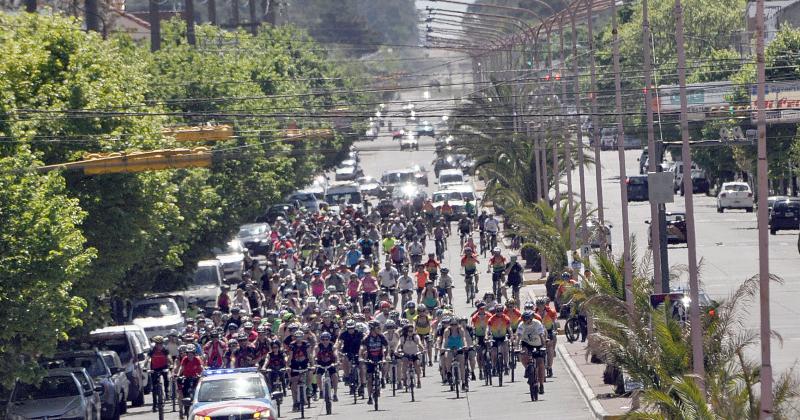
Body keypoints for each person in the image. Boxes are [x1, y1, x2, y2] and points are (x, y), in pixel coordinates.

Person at [517, 310, 547, 393]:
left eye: (528, 319)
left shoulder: (537, 323)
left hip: (538, 344)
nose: (526, 321)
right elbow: (518, 336)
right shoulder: (521, 325)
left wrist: (543, 346)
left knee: (540, 363)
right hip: (526, 343)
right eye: (524, 319)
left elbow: (541, 335)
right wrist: (516, 347)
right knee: (523, 353)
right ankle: (528, 369)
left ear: (531, 318)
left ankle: (541, 384)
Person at [360, 320, 389, 405]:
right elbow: (362, 348)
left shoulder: (381, 337)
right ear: (372, 329)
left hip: (380, 356)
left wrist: (387, 355)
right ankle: (369, 397)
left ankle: (383, 378)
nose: (379, 329)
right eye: (378, 328)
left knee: (385, 363)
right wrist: (361, 357)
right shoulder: (367, 338)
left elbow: (387, 346)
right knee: (369, 379)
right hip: (370, 358)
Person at [288, 330, 312, 412]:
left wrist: (312, 364)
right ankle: (295, 402)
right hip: (294, 365)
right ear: (294, 337)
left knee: (309, 373)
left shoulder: (306, 344)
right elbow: (290, 356)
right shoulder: (292, 345)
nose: (298, 338)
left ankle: (308, 388)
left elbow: (309, 355)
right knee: (294, 384)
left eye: (300, 336)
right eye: (297, 337)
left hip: (304, 364)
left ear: (303, 337)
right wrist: (287, 365)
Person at [441, 317, 467, 390]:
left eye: (455, 324)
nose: (454, 326)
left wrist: (465, 345)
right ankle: (449, 372)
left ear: (458, 324)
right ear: (450, 324)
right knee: (447, 355)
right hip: (450, 348)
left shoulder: (460, 330)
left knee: (462, 363)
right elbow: (444, 340)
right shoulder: (447, 331)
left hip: (459, 348)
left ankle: (463, 382)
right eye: (452, 324)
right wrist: (443, 347)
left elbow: (464, 338)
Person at [395, 323, 424, 388]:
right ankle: (404, 379)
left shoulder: (415, 336)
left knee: (417, 365)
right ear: (406, 331)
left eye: (412, 330)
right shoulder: (403, 337)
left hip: (415, 354)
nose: (411, 332)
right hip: (406, 354)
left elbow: (419, 343)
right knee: (404, 365)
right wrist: (396, 350)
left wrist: (422, 349)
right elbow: (398, 344)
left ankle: (419, 380)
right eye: (410, 331)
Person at [487, 305, 512, 374]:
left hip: (503, 336)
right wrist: (487, 335)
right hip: (495, 337)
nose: (499, 312)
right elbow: (488, 329)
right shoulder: (491, 319)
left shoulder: (506, 318)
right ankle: (494, 366)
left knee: (505, 350)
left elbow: (509, 328)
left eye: (501, 311)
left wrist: (512, 335)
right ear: (495, 311)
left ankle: (506, 365)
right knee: (494, 352)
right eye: (498, 311)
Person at [315, 332, 339, 402]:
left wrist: (337, 362)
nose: (325, 341)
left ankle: (335, 394)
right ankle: (321, 391)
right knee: (318, 375)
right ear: (321, 340)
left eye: (326, 339)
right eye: (323, 339)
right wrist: (314, 363)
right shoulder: (318, 346)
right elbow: (314, 355)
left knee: (335, 376)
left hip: (330, 364)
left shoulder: (332, 346)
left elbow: (336, 355)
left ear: (329, 339)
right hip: (321, 364)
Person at [148, 336, 171, 410]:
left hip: (163, 366)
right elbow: (147, 358)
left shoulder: (165, 349)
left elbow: (169, 357)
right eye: (158, 344)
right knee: (154, 387)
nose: (159, 345)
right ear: (155, 344)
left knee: (165, 378)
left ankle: (166, 391)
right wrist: (144, 367)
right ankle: (154, 405)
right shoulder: (152, 350)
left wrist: (171, 364)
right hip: (154, 367)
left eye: (161, 344)